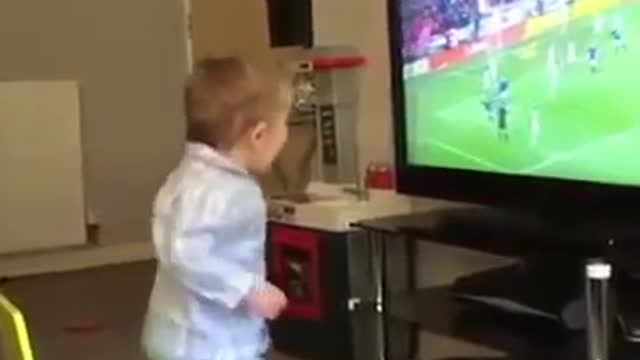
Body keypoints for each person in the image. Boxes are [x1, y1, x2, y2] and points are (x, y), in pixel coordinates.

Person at [141, 57, 292, 360]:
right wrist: (248, 289)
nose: (286, 134)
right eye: (285, 123)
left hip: (186, 333)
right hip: (207, 343)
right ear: (258, 135)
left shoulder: (191, 175)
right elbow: (186, 251)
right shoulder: (219, 190)